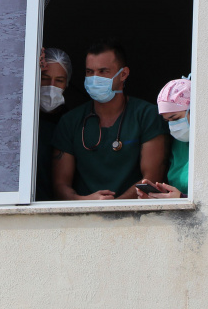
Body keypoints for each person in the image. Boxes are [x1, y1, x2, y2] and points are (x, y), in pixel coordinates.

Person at [51, 39, 167, 200]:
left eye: (103, 71)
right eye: (89, 72)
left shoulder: (147, 115)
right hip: (83, 212)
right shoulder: (70, 121)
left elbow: (152, 178)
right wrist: (86, 202)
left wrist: (114, 207)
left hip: (134, 213)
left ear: (123, 74)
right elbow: (60, 185)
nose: (94, 78)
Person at [136, 77, 191, 200]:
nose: (173, 126)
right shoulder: (179, 144)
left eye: (175, 118)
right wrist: (163, 194)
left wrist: (182, 198)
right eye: (167, 121)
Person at [36, 47, 72, 201]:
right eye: (45, 78)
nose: (51, 86)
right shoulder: (21, 118)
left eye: (59, 80)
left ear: (66, 84)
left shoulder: (71, 123)